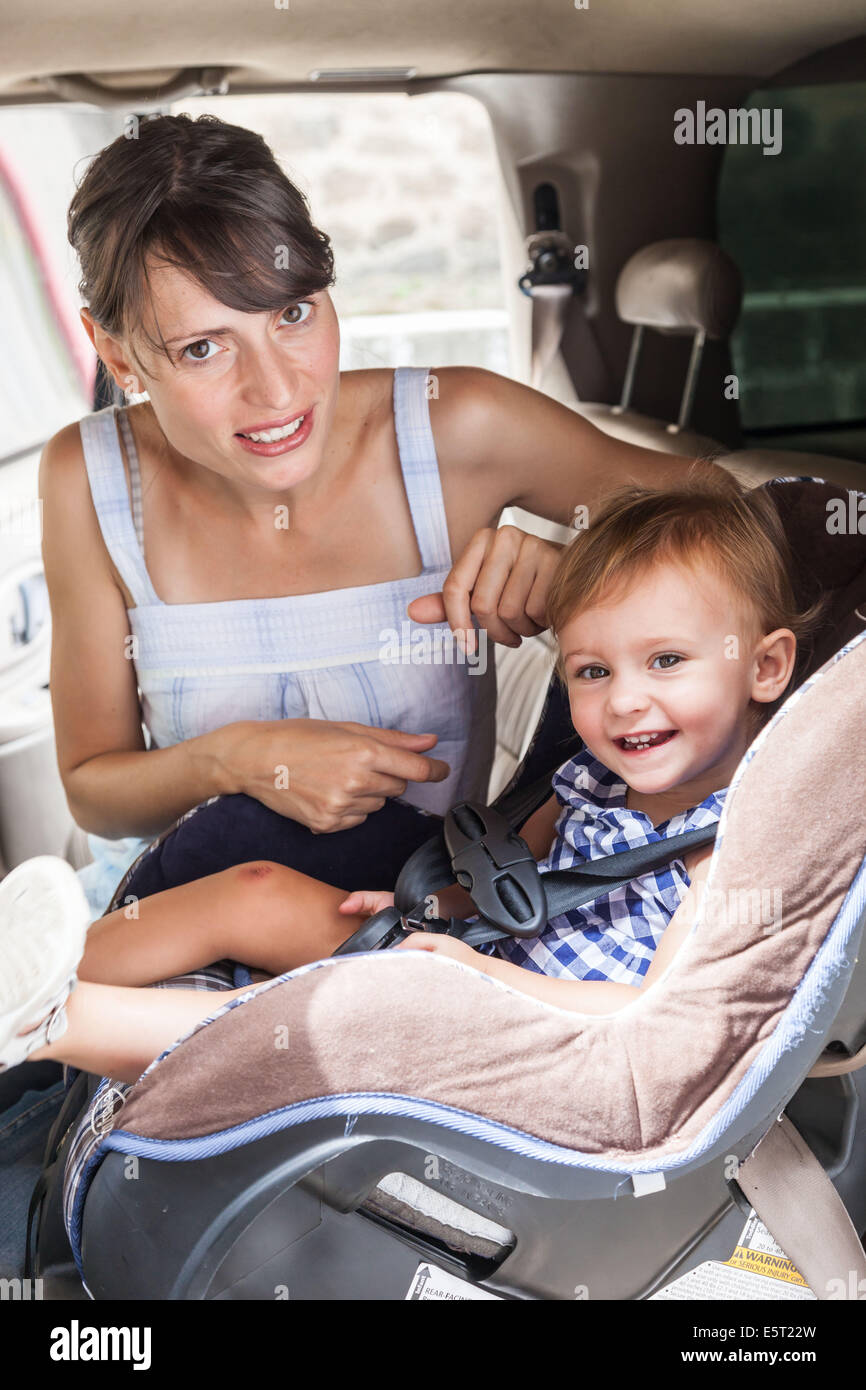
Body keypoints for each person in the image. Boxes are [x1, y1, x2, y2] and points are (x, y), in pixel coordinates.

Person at [41, 111, 732, 917]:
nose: (277, 391)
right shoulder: (87, 477)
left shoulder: (457, 425)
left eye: (292, 314)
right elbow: (95, 791)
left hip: (409, 934)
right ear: (118, 354)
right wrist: (237, 760)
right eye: (204, 347)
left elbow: (746, 519)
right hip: (174, 916)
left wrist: (594, 578)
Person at [0, 474, 827, 1083]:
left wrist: (470, 977)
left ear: (765, 666)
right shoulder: (594, 780)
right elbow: (506, 881)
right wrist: (439, 907)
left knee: (318, 1015)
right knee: (254, 888)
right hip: (468, 958)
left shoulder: (743, 840)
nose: (624, 702)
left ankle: (52, 1023)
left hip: (527, 1042)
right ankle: (37, 965)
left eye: (668, 661)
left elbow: (662, 1015)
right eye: (591, 672)